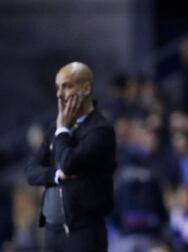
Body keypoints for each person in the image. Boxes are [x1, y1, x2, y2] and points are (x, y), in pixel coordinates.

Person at [25, 62, 116, 252]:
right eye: (58, 88)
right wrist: (56, 176)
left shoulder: (100, 130)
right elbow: (31, 171)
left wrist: (63, 130)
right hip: (52, 233)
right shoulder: (56, 128)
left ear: (86, 88)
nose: (59, 94)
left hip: (84, 233)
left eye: (66, 86)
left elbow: (69, 163)